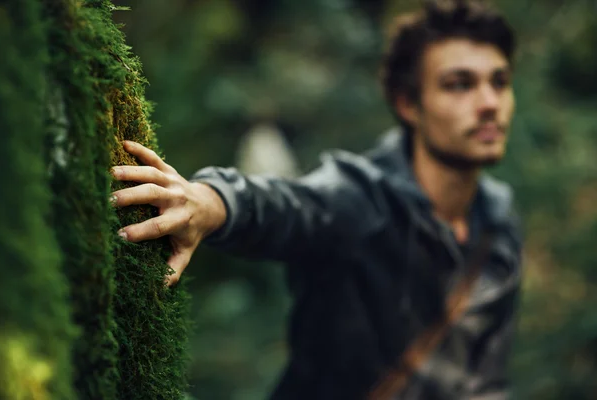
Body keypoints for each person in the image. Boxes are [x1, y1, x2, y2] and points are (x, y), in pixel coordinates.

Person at [110, 0, 523, 398]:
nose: (489, 103)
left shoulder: (499, 221)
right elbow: (286, 206)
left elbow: (482, 374)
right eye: (459, 84)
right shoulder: (361, 198)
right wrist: (206, 202)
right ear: (408, 104)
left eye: (499, 82)